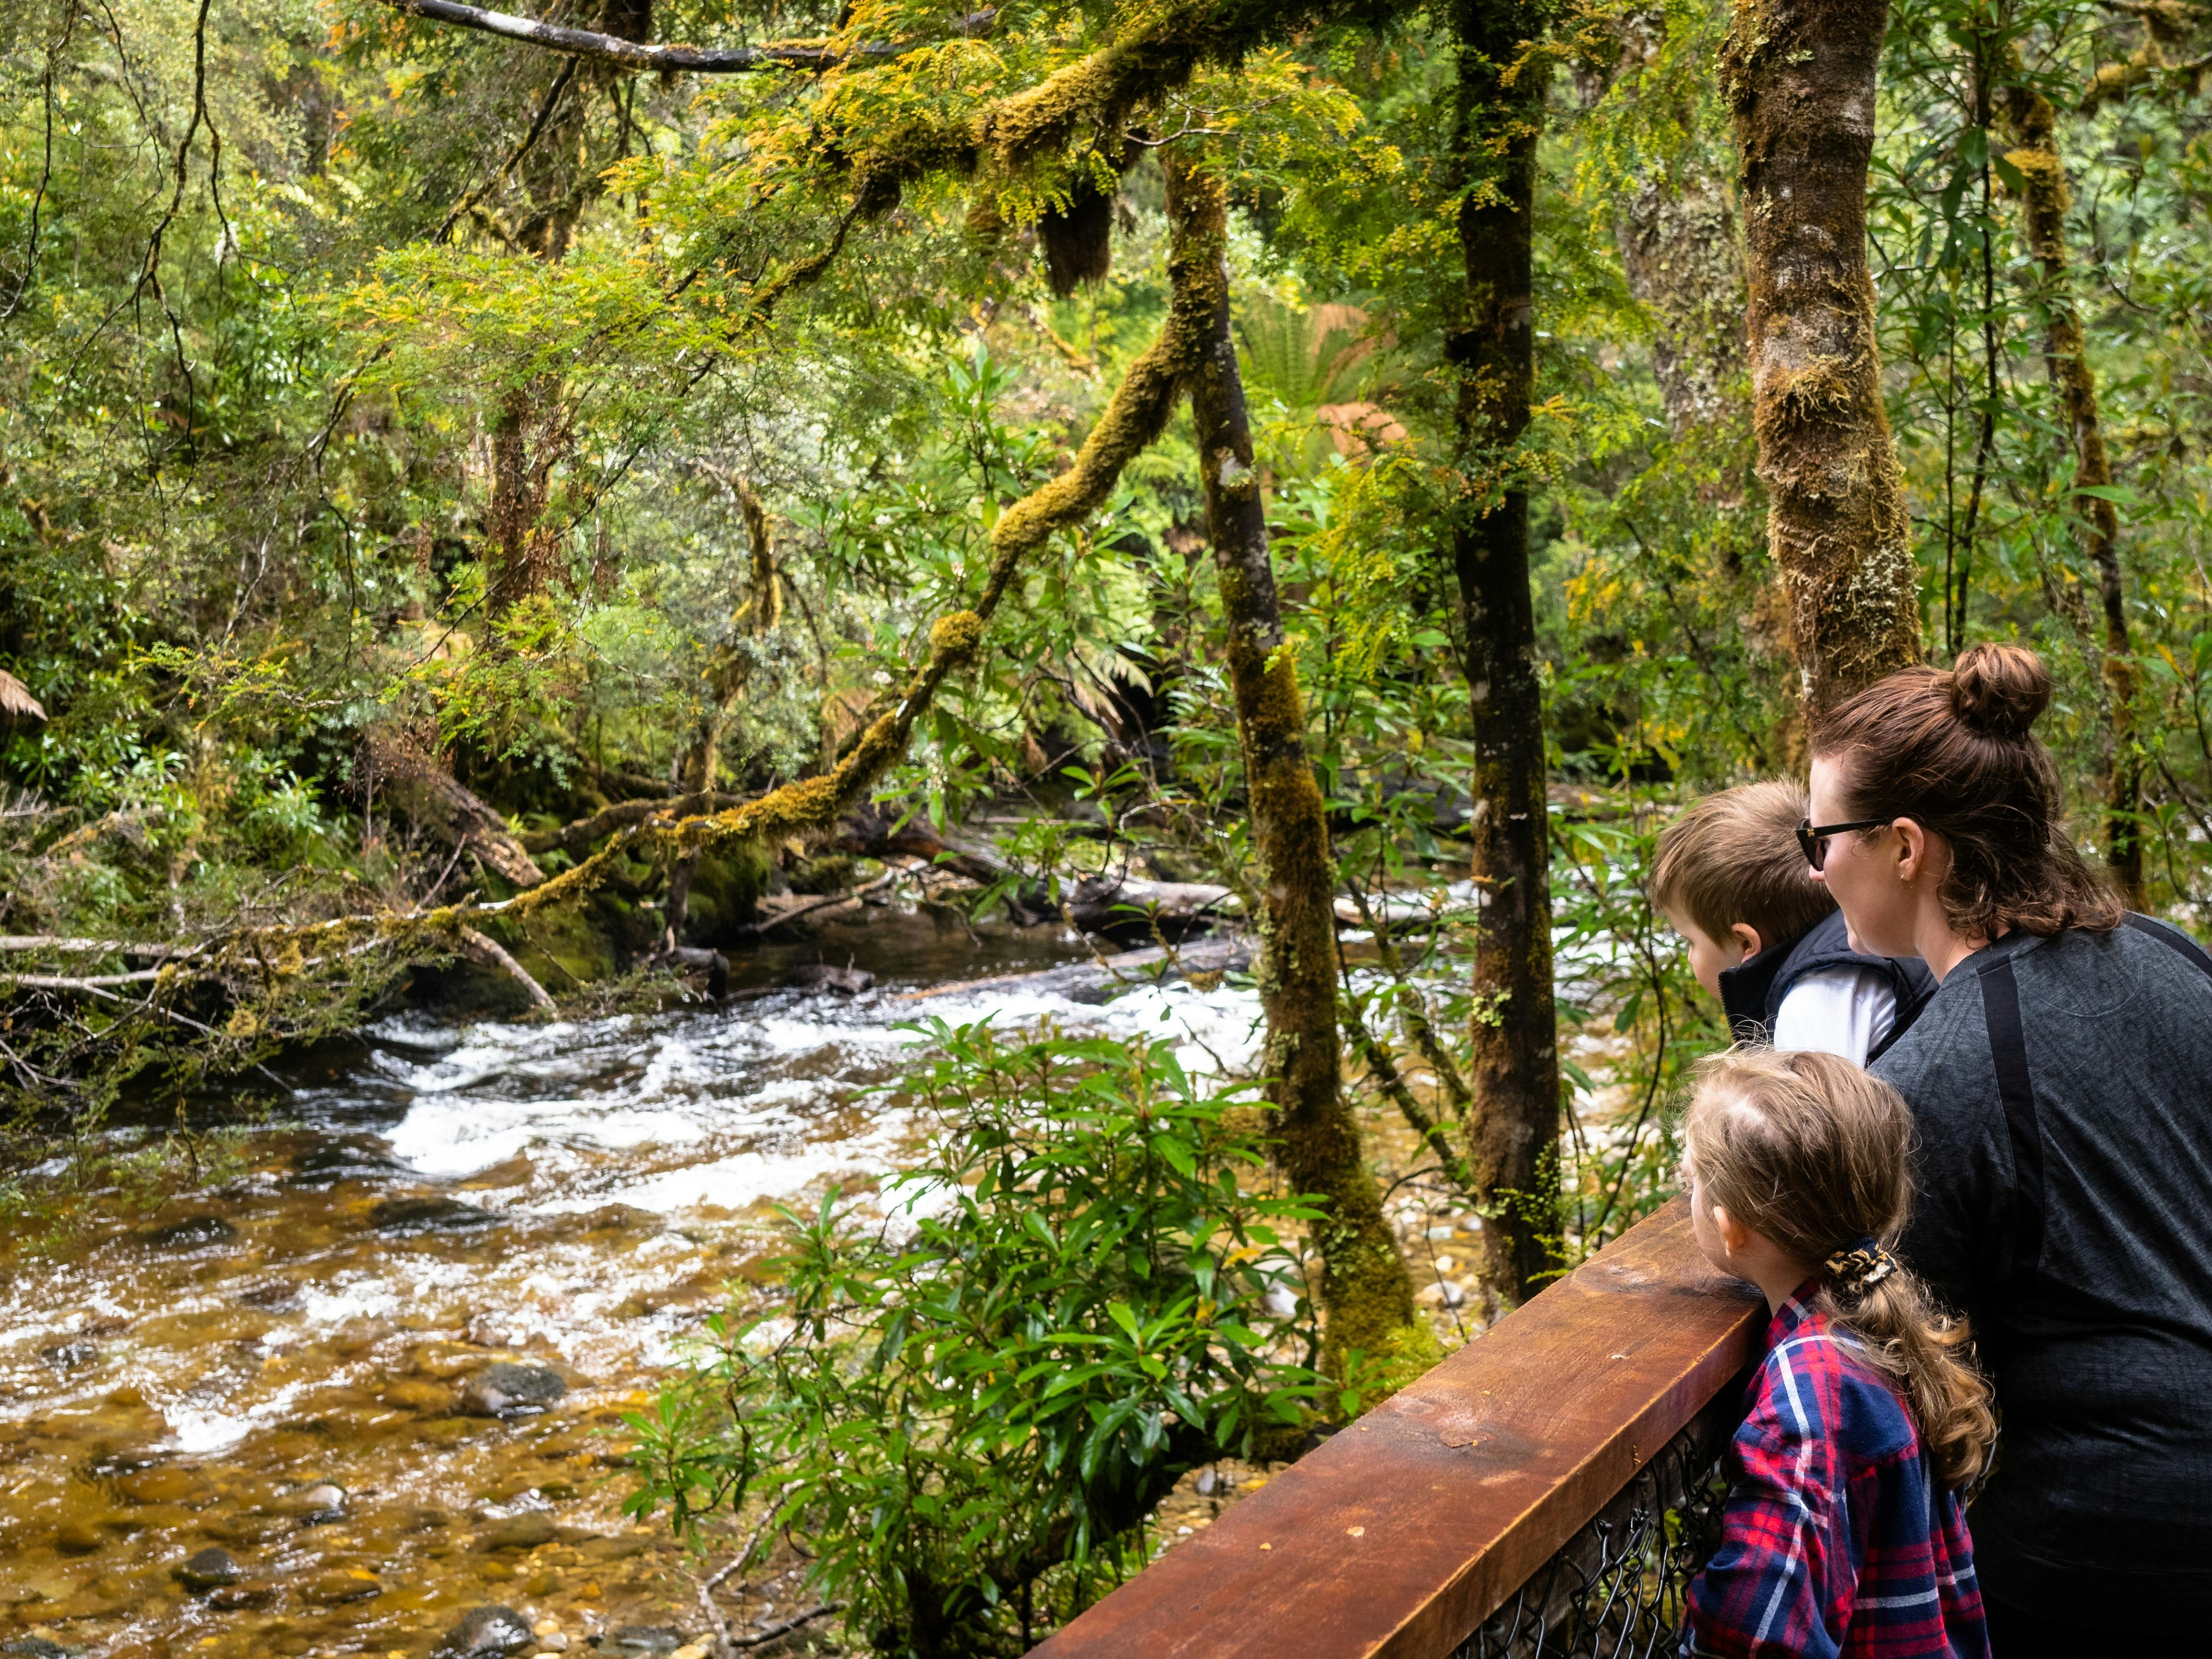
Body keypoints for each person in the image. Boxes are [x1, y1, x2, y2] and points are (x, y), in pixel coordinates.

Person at [1807, 641, 2212, 1651]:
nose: (1813, 869)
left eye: (1821, 835)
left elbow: (1902, 1350)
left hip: (2104, 1547)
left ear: (1906, 846)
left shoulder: (1927, 1078)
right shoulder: (2171, 955)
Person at [1678, 1047, 1992, 1659]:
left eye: (1689, 1180)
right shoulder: (1870, 1328)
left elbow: (1754, 1626)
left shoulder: (1809, 1389)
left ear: (1728, 1225)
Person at [1652, 781, 1934, 1063]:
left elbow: (1823, 1109)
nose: (1689, 957)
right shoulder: (1855, 943)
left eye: (1689, 941)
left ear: (1746, 943)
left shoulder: (1812, 1005)